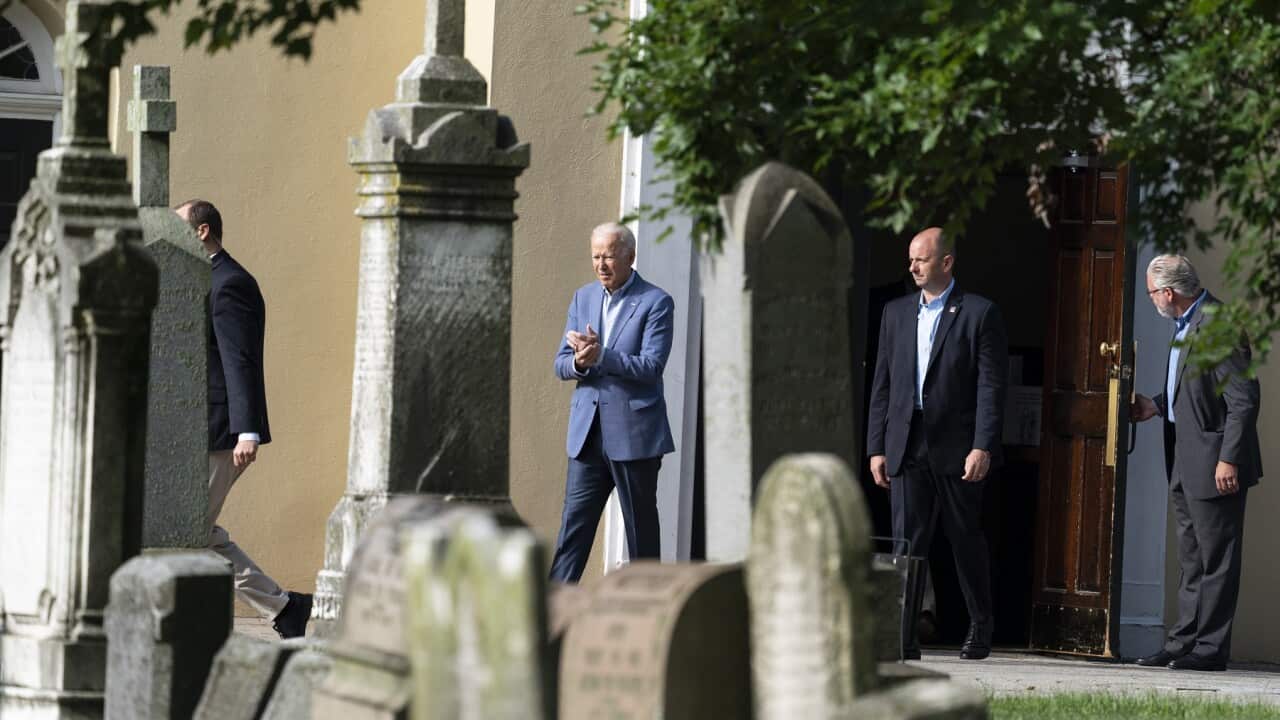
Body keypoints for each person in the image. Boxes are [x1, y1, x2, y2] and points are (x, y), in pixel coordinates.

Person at [866, 226, 1007, 660]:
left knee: (964, 538)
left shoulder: (979, 313)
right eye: (910, 259)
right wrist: (876, 446)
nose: (912, 267)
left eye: (921, 259)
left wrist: (983, 445)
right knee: (907, 543)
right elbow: (882, 384)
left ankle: (980, 625)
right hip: (906, 442)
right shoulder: (895, 313)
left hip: (958, 445)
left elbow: (990, 386)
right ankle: (902, 635)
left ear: (946, 262)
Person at [176, 199, 312, 638]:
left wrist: (246, 431)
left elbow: (240, 360)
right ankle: (286, 607)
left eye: (179, 226)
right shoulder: (200, 278)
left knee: (184, 532)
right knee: (198, 534)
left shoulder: (230, 282)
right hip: (197, 431)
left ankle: (278, 608)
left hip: (221, 433)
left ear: (202, 231)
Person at [1131, 255, 1261, 672]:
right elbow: (1195, 388)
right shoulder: (1185, 324)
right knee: (1191, 557)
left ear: (1169, 293)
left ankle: (1210, 649)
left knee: (1216, 557)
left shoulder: (1218, 326)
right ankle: (1182, 642)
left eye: (1151, 293)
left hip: (1215, 464)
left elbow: (1243, 400)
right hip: (1184, 458)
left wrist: (1229, 459)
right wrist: (1156, 405)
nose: (1151, 300)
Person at [548, 222, 675, 582]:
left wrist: (602, 355)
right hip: (587, 436)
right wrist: (579, 362)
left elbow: (651, 367)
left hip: (635, 435)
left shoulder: (656, 302)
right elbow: (560, 364)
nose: (601, 264)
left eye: (608, 256)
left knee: (641, 535)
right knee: (572, 534)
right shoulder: (583, 298)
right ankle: (553, 609)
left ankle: (647, 607)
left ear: (630, 257)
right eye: (595, 256)